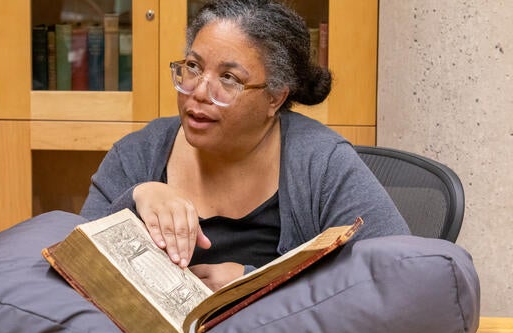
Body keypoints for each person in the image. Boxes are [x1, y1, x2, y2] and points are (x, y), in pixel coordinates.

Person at [80, 0, 410, 291]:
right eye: (193, 67)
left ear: (275, 98)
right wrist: (136, 198)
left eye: (229, 79)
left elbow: (403, 273)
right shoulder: (138, 154)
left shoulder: (320, 162)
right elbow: (74, 271)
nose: (198, 91)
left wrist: (260, 283)